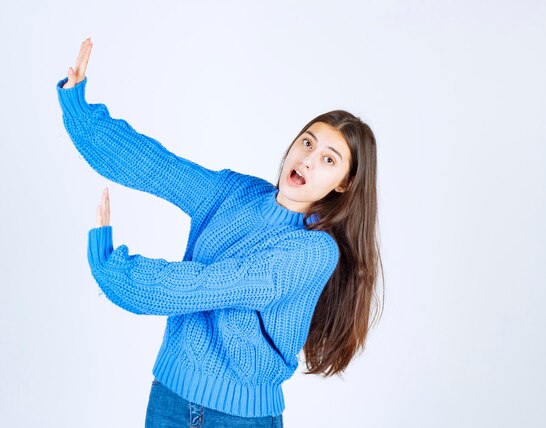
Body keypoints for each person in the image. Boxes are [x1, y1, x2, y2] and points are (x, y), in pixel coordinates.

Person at [56, 37, 384, 428]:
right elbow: (157, 167)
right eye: (307, 143)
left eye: (328, 159)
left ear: (344, 184)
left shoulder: (314, 252)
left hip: (239, 418)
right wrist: (80, 111)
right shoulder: (235, 192)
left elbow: (209, 284)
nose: (308, 160)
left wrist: (115, 271)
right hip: (169, 398)